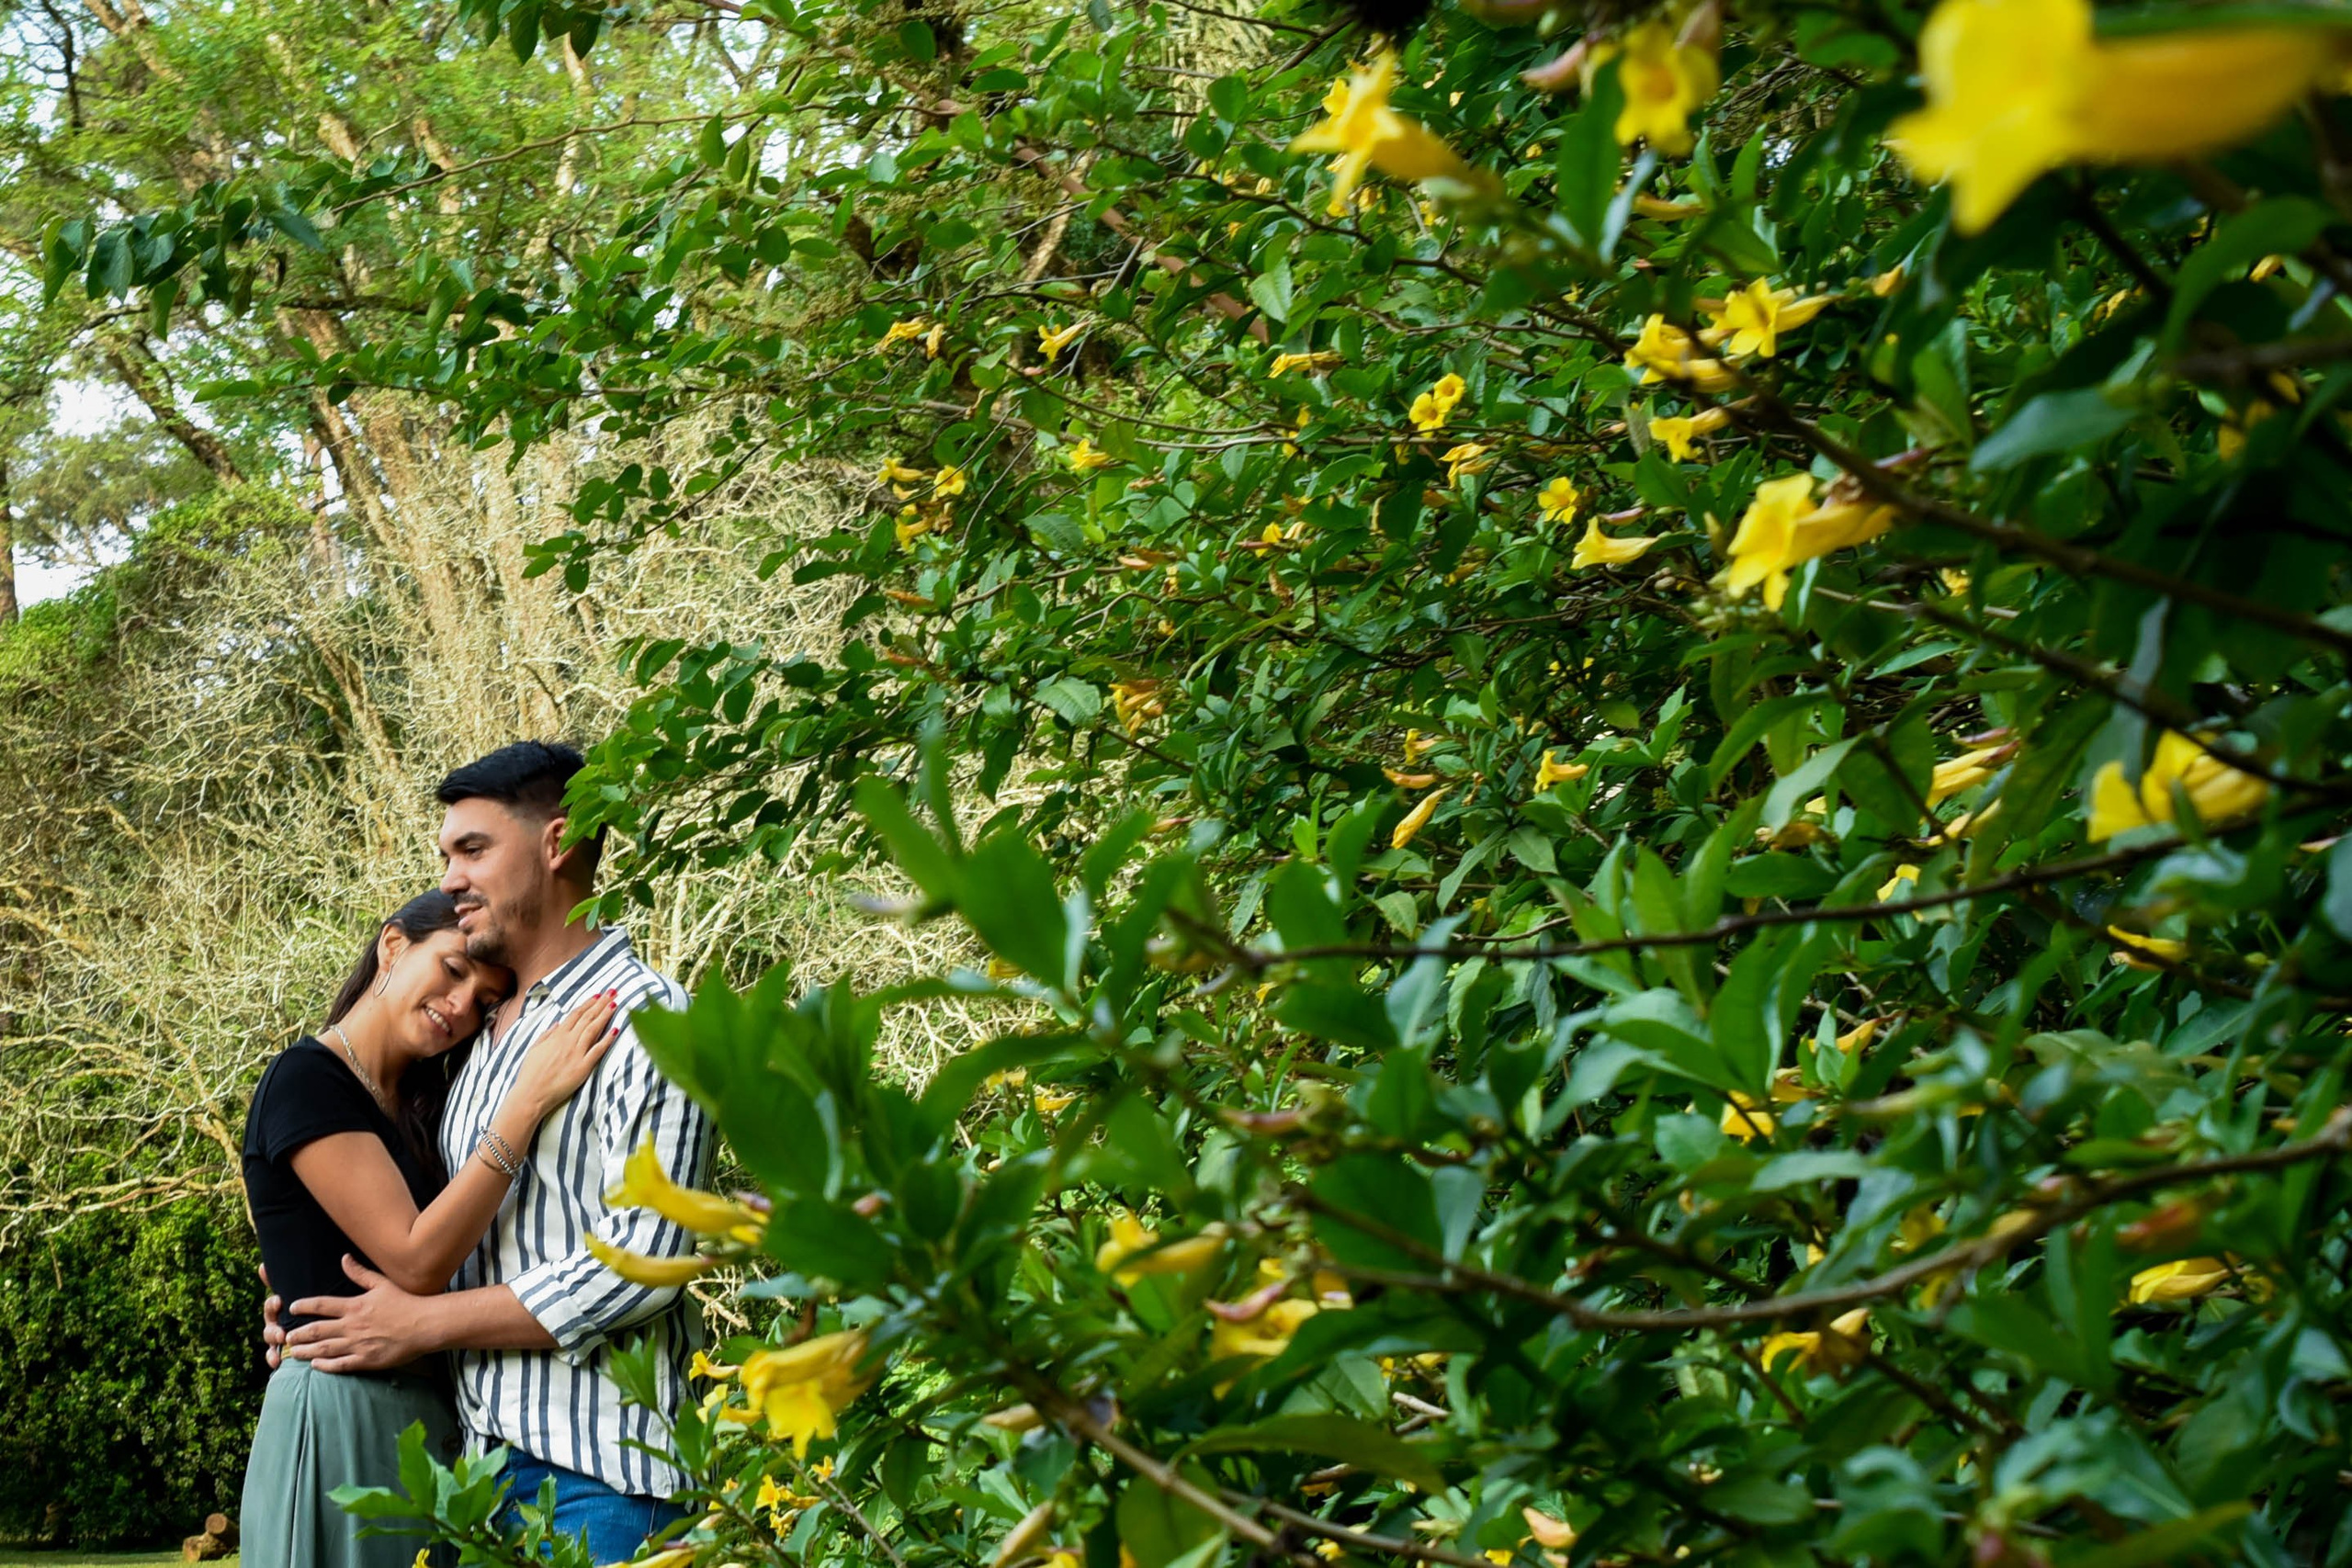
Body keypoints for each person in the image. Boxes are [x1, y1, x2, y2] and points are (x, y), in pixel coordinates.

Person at [265, 740, 718, 1564]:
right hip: (474, 1474)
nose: (450, 876)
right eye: (446, 855)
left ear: (556, 844)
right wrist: (307, 1300)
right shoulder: (480, 1046)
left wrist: (420, 1326)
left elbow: (645, 1259)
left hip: (604, 1480)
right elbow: (432, 1229)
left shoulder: (649, 1018)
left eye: (472, 849)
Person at [242, 889, 621, 1568]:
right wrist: (527, 1102)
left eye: (483, 999)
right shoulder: (307, 1079)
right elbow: (417, 1259)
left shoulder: (425, 1108)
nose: (460, 1003)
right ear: (393, 946)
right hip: (340, 1415)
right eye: (452, 969)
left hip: (433, 1425)